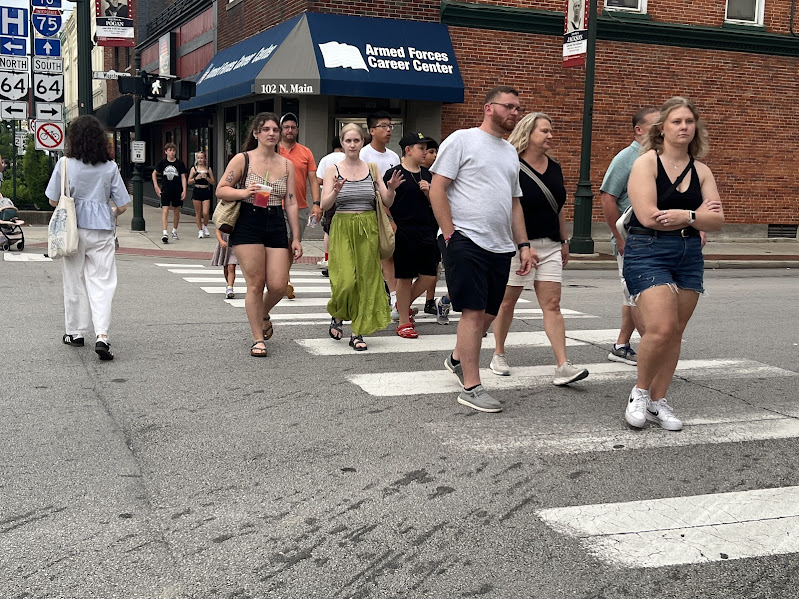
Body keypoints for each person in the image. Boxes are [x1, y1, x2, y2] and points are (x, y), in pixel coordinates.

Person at [430, 86, 534, 413]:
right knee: (473, 312)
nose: (515, 114)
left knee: (489, 313)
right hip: (465, 239)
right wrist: (450, 234)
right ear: (489, 108)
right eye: (510, 107)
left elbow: (515, 204)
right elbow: (437, 188)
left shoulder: (508, 152)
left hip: (500, 245)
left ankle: (457, 359)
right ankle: (471, 386)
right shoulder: (462, 140)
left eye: (518, 109)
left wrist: (524, 245)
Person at [624, 96, 724, 431]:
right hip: (647, 250)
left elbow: (717, 219)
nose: (684, 127)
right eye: (677, 121)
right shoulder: (647, 163)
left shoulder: (702, 170)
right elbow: (649, 217)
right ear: (662, 128)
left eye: (689, 122)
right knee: (661, 327)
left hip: (688, 254)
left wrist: (687, 215)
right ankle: (639, 392)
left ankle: (658, 400)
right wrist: (697, 217)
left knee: (676, 331)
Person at [490, 112, 589, 386]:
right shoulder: (512, 164)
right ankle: (498, 352)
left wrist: (564, 240)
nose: (550, 136)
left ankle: (563, 365)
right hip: (518, 245)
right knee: (507, 301)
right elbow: (507, 206)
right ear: (529, 133)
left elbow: (558, 205)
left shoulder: (554, 166)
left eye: (550, 130)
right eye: (544, 131)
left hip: (550, 245)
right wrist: (520, 244)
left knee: (553, 304)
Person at [216, 112, 303, 357]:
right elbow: (221, 190)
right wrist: (244, 193)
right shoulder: (242, 159)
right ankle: (257, 338)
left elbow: (292, 202)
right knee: (256, 283)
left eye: (275, 129)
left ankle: (263, 314)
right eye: (265, 129)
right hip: (247, 220)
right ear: (256, 133)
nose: (271, 133)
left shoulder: (287, 164)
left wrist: (295, 237)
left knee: (278, 285)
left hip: (275, 220)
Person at [45, 115, 130, 361]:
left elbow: (52, 200)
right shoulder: (110, 167)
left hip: (73, 229)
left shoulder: (64, 164)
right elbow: (123, 204)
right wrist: (108, 211)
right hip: (102, 229)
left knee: (74, 281)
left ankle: (75, 332)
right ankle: (102, 335)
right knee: (102, 282)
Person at [322, 123, 403, 351]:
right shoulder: (332, 169)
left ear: (362, 142)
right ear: (342, 143)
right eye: (348, 141)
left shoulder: (372, 168)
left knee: (367, 280)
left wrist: (392, 189)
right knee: (346, 280)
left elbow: (386, 201)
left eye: (356, 140)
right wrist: (335, 191)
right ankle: (338, 314)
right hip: (342, 227)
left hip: (368, 227)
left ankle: (358, 332)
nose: (352, 145)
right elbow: (325, 203)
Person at [599, 107, 658, 365]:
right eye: (657, 125)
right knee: (637, 296)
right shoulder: (627, 158)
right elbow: (607, 197)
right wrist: (619, 238)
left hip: (654, 239)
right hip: (632, 240)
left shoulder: (658, 157)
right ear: (639, 130)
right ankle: (653, 350)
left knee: (631, 295)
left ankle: (621, 345)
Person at [384, 132, 441, 338]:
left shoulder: (428, 174)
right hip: (403, 230)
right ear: (408, 150)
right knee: (405, 276)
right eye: (421, 148)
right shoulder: (394, 173)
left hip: (426, 230)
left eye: (427, 148)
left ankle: (402, 304)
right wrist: (391, 222)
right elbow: (382, 202)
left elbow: (438, 203)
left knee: (429, 276)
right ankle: (403, 321)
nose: (425, 152)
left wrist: (429, 192)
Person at [360, 111, 402, 318]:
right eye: (384, 126)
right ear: (372, 130)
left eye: (391, 125)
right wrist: (388, 216)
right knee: (376, 256)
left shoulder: (393, 156)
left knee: (389, 254)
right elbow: (373, 189)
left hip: (393, 209)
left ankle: (394, 298)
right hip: (371, 211)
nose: (389, 130)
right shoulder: (364, 155)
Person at [278, 113, 320, 299]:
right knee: (278, 245)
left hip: (300, 207)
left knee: (290, 245)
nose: (289, 130)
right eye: (286, 127)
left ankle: (283, 278)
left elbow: (313, 180)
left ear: (297, 130)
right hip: (274, 205)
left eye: (293, 127)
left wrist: (316, 204)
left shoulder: (306, 152)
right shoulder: (273, 150)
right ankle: (283, 280)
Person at [421, 138, 446, 319]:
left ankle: (430, 300)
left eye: (435, 152)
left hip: (434, 224)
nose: (434, 155)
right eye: (430, 152)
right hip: (417, 224)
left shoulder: (438, 175)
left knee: (433, 264)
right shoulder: (414, 172)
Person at [315, 138, 346, 271]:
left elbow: (318, 179)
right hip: (347, 198)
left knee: (328, 229)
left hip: (329, 199)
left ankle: (327, 258)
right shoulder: (349, 158)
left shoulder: (326, 159)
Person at [152, 142, 187, 244]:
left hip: (177, 190)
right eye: (170, 150)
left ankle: (174, 230)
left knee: (176, 211)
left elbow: (183, 177)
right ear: (166, 152)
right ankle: (164, 232)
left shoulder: (180, 164)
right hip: (165, 189)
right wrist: (156, 186)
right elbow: (154, 173)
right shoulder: (162, 163)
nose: (172, 152)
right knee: (165, 210)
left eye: (173, 150)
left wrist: (184, 190)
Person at [188, 151, 215, 239]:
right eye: (198, 158)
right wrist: (196, 178)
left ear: (205, 159)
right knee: (198, 213)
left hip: (205, 190)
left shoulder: (208, 169)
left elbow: (213, 182)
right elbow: (189, 181)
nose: (200, 160)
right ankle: (200, 230)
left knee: (206, 212)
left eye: (201, 158)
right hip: (197, 190)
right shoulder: (194, 169)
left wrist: (206, 177)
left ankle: (205, 226)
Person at [211, 228, 237, 299]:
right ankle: (228, 284)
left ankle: (230, 287)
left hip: (234, 244)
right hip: (224, 245)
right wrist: (221, 241)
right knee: (226, 267)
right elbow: (217, 231)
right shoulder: (222, 219)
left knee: (232, 266)